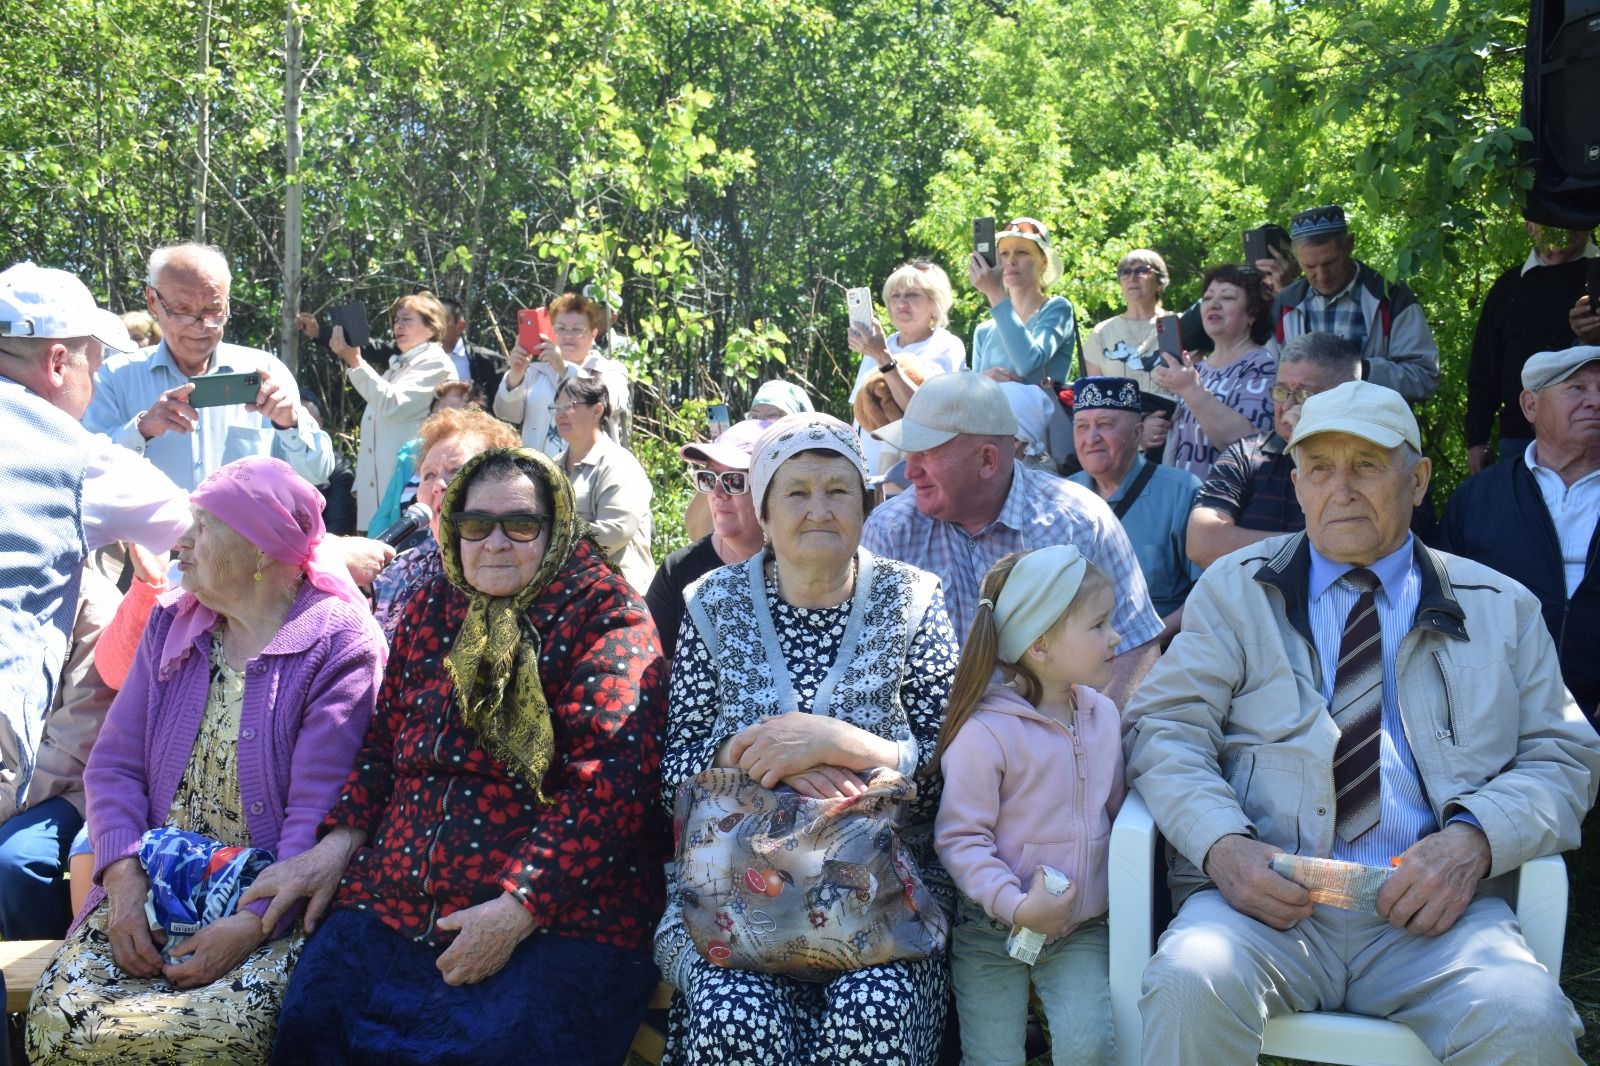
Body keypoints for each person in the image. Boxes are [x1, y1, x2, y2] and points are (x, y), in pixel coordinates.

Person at [1126, 380, 1600, 1063]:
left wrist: (1473, 842)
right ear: (1297, 483)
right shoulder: (1235, 590)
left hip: (1433, 916)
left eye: (1367, 466)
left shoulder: (1502, 608)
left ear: (1418, 480)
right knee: (1189, 980)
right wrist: (1223, 846)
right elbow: (1163, 728)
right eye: (1319, 468)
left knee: (1526, 1021)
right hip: (1264, 903)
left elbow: (1565, 757)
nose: (1340, 489)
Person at [259, 447, 667, 1065]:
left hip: (555, 916)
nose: (495, 542)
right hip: (393, 897)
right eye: (476, 524)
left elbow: (609, 788)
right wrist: (337, 844)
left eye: (520, 524)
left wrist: (516, 909)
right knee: (313, 1026)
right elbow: (382, 744)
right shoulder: (431, 608)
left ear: (555, 527)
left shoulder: (607, 617)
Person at [26, 457, 386, 1065]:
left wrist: (248, 925)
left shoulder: (339, 644)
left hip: (270, 909)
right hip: (149, 891)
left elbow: (316, 816)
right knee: (59, 1019)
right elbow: (113, 766)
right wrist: (121, 880)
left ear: (261, 553)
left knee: (218, 1031)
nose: (181, 541)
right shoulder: (174, 622)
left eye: (204, 525)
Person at [654, 413, 960, 1066]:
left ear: (868, 502)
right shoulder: (712, 604)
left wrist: (844, 743)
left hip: (884, 905)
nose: (818, 509)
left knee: (874, 1013)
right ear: (763, 507)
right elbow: (673, 769)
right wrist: (754, 758)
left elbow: (953, 759)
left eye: (837, 490)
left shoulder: (914, 601)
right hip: (732, 902)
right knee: (734, 1015)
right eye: (797, 491)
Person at [0, 262, 192, 939]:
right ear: (58, 361)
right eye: (94, 359)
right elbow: (209, 526)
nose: (98, 377)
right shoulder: (68, 454)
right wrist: (334, 547)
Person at [862, 371, 1163, 706]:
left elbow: (1134, 648)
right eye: (908, 451)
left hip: (1062, 741)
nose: (909, 470)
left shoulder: (1079, 522)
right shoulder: (890, 531)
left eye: (927, 453)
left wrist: (1084, 744)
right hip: (931, 747)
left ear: (988, 460)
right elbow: (871, 667)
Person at [935, 546, 1124, 1066]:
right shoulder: (985, 735)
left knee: (1090, 1048)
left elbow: (1116, 809)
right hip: (992, 933)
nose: (1116, 637)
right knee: (993, 1057)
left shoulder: (1103, 717)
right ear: (1040, 644)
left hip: (1078, 931)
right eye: (1099, 624)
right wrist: (1017, 906)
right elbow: (960, 838)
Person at [83, 243, 335, 491]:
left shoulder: (267, 371)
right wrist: (142, 429)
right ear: (152, 301)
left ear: (227, 302)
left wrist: (289, 424)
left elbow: (317, 475)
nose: (200, 325)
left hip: (242, 534)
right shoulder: (114, 377)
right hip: (144, 534)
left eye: (214, 310)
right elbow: (85, 472)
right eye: (182, 310)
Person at [1440, 346, 1600, 720]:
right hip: (1497, 714)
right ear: (1530, 405)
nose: (1595, 401)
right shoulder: (1479, 498)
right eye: (1577, 389)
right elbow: (1437, 602)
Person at [0, 569, 118, 940]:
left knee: (18, 862)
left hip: (70, 786)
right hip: (14, 782)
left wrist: (5, 797)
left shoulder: (91, 603)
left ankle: (46, 976)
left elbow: (76, 746)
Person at [1186, 332, 1362, 567]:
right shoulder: (1245, 455)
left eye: (1303, 395)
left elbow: (1372, 550)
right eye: (1280, 391)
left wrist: (1310, 451)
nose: (1286, 407)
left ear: (1344, 397)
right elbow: (1202, 544)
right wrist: (1320, 546)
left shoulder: (1371, 459)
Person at [370, 405, 522, 644]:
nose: (438, 484)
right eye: (428, 475)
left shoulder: (517, 566)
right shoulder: (401, 567)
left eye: (457, 470)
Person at [1067, 377, 1199, 643]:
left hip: (1160, 657)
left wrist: (1146, 641)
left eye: (1105, 424)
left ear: (1137, 433)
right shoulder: (1062, 497)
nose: (1091, 438)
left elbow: (1210, 591)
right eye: (1082, 426)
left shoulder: (1181, 492)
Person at [1266, 205, 1440, 403]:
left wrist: (1359, 371)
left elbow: (1424, 378)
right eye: (1310, 267)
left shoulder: (1390, 297)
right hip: (1305, 428)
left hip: (1374, 428)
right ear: (1297, 259)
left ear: (1349, 244)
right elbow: (1269, 379)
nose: (1321, 276)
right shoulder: (1285, 305)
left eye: (1330, 263)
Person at [1466, 222, 1597, 472]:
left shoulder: (1597, 274)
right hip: (1519, 440)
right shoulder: (1508, 287)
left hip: (1594, 436)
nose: (1559, 226)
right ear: (1528, 225)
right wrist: (1477, 440)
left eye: (1567, 215)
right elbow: (1485, 370)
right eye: (1547, 219)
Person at [333, 292, 457, 532]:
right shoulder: (397, 368)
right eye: (396, 320)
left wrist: (356, 362)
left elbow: (393, 405)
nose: (398, 326)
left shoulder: (435, 363)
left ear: (431, 328)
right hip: (380, 497)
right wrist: (362, 486)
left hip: (408, 492)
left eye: (407, 319)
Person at [645, 418, 768, 660]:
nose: (717, 493)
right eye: (708, 479)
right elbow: (650, 669)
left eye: (734, 480)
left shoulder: (797, 573)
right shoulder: (678, 571)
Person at [1157, 264, 1276, 479]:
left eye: (1228, 297)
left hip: (1228, 504)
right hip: (1185, 501)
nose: (1213, 304)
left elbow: (1247, 445)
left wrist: (1191, 390)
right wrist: (1152, 430)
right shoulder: (1196, 369)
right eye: (1208, 297)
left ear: (1253, 312)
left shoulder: (1264, 366)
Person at [847, 261, 967, 471]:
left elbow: (926, 411)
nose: (901, 303)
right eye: (895, 295)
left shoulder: (945, 345)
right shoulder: (880, 343)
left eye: (912, 295)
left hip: (912, 475)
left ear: (934, 303)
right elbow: (858, 414)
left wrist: (883, 358)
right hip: (867, 472)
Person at [495, 291, 631, 454]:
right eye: (561, 329)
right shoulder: (536, 371)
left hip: (590, 475)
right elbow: (506, 414)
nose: (568, 336)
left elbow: (609, 402)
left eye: (577, 330)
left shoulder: (611, 370)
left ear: (593, 334)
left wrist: (564, 369)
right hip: (537, 474)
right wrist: (516, 374)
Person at [555, 373, 655, 593]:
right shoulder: (552, 466)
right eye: (556, 407)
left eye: (570, 405)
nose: (561, 413)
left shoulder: (619, 463)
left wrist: (550, 539)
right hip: (568, 593)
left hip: (619, 596)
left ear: (597, 410)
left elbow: (615, 532)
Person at [1082, 249, 1177, 452]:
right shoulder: (1102, 333)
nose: (1132, 277)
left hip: (1173, 435)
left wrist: (1160, 424)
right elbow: (1097, 400)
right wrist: (1139, 430)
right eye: (1125, 272)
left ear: (1160, 281)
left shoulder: (1176, 326)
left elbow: (1194, 385)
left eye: (1142, 270)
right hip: (1119, 443)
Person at [368, 378, 488, 537]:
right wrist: (378, 552)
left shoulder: (482, 457)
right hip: (403, 556)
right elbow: (384, 515)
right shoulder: (410, 453)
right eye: (437, 414)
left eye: (453, 413)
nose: (443, 421)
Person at [967, 218, 1078, 386]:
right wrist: (983, 380)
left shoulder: (1057, 309)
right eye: (1004, 253)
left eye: (1022, 252)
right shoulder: (984, 331)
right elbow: (973, 397)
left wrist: (994, 292)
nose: (1011, 261)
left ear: (1044, 263)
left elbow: (1028, 363)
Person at [439, 295, 506, 399]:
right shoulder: (411, 360)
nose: (433, 326)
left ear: (460, 326)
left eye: (441, 320)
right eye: (428, 320)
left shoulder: (488, 362)